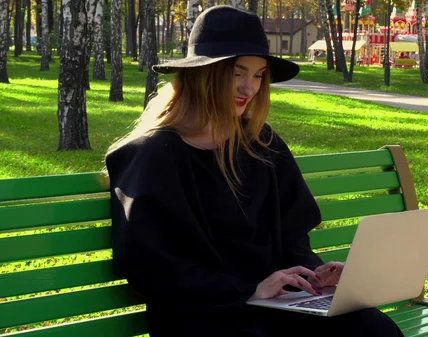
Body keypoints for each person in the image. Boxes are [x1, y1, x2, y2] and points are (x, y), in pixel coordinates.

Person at [104, 6, 404, 337]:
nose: (250, 88)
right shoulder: (152, 155)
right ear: (203, 73)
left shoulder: (261, 144)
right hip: (203, 314)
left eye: (259, 74)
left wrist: (316, 274)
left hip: (276, 304)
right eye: (237, 73)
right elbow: (154, 269)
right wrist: (249, 291)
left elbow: (291, 236)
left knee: (373, 329)